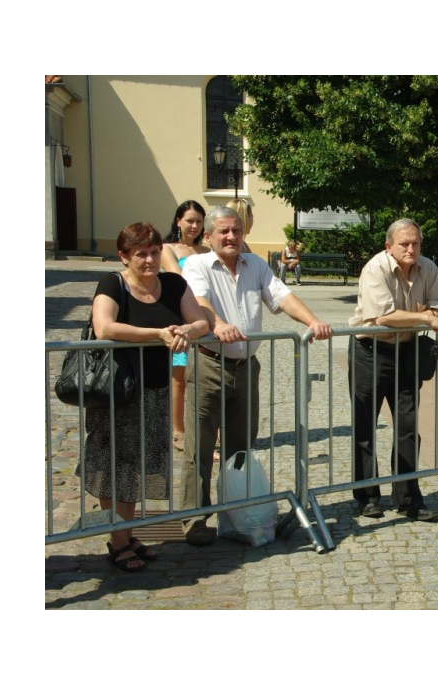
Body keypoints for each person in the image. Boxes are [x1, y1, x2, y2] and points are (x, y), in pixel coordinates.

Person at [178, 207, 332, 545]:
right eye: (223, 231)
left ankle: (236, 516)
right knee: (200, 447)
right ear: (208, 236)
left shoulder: (256, 265)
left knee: (241, 448)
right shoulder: (197, 265)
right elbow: (200, 300)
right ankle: (194, 519)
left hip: (247, 367)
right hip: (208, 363)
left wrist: (312, 321)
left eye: (236, 230)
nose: (231, 237)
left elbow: (282, 296)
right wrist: (217, 325)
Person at [80, 223, 209, 570]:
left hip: (156, 390)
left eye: (154, 251)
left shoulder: (174, 284)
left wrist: (183, 330)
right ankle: (118, 541)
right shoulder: (113, 283)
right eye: (141, 253)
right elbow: (104, 327)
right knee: (117, 467)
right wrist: (157, 333)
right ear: (124, 256)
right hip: (119, 392)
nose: (150, 259)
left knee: (138, 466)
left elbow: (201, 323)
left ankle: (127, 532)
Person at [349, 219, 438, 521]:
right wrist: (425, 317)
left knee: (408, 428)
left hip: (407, 352)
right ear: (388, 246)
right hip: (370, 352)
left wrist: (419, 317)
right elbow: (383, 316)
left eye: (415, 243)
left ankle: (408, 499)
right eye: (404, 243)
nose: (410, 249)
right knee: (365, 427)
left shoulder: (428, 268)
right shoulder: (375, 268)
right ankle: (367, 496)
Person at [160, 200, 209, 452]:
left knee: (207, 376)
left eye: (199, 221)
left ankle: (211, 429)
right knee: (179, 376)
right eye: (190, 220)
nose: (194, 225)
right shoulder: (168, 248)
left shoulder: (206, 250)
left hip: (207, 316)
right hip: (180, 314)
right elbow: (177, 279)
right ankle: (178, 430)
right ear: (178, 220)